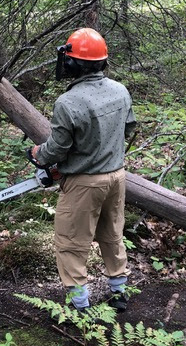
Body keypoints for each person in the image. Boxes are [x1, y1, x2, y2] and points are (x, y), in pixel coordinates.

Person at [30, 28, 137, 312]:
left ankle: (79, 306)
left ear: (72, 63)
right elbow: (127, 129)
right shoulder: (120, 90)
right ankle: (119, 292)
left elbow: (56, 149)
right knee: (112, 234)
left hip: (84, 183)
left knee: (71, 242)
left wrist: (39, 154)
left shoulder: (68, 102)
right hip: (116, 177)